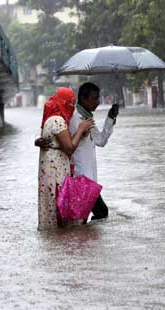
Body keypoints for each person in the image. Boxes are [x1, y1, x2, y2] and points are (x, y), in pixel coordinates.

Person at [37, 87, 94, 230]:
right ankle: (61, 237)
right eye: (70, 103)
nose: (72, 107)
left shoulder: (50, 118)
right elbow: (69, 148)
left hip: (49, 171)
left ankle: (54, 240)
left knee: (52, 205)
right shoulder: (58, 120)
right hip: (56, 172)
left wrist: (80, 134)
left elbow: (59, 141)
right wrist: (80, 129)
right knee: (60, 206)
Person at [69, 82, 119, 222]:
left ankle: (88, 240)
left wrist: (110, 118)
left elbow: (101, 140)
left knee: (85, 218)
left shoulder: (87, 119)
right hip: (81, 178)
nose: (98, 102)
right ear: (84, 99)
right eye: (95, 98)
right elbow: (65, 142)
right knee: (99, 213)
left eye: (98, 98)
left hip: (90, 179)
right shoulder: (73, 118)